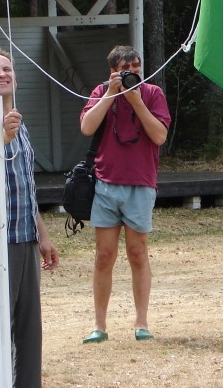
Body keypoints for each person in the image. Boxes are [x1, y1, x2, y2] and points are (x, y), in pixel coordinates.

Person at [80, 45, 170, 344]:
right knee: (104, 255)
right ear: (113, 71)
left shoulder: (152, 93)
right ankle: (100, 325)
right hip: (106, 183)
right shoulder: (102, 90)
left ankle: (141, 322)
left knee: (137, 253)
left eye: (136, 66)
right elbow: (87, 127)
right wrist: (110, 95)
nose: (133, 72)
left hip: (141, 183)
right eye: (126, 68)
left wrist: (136, 100)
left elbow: (159, 136)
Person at [0, 48, 60, 388]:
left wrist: (43, 235)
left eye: (7, 69)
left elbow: (26, 185)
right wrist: (1, 136)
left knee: (30, 326)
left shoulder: (21, 123)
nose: (2, 74)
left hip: (26, 238)